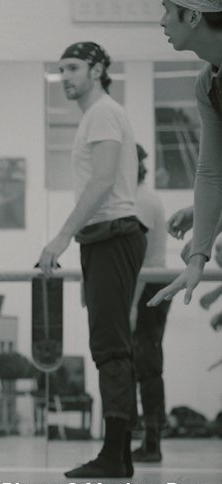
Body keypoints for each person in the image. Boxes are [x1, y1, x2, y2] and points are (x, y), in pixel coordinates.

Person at [38, 42, 145, 478]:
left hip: (112, 235)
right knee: (110, 347)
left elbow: (102, 182)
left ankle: (115, 456)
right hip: (104, 238)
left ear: (99, 69)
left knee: (110, 349)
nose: (65, 76)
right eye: (61, 68)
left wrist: (61, 237)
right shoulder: (95, 115)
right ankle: (120, 455)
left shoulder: (102, 112)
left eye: (74, 67)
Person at [149, 0, 222, 307]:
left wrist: (208, 230)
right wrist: (197, 258)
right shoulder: (207, 84)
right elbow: (211, 172)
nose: (162, 21)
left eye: (168, 9)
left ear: (193, 15)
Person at [130, 144, 172, 463]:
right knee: (146, 363)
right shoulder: (143, 197)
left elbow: (139, 261)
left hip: (149, 286)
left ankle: (153, 440)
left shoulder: (141, 201)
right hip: (151, 284)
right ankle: (150, 437)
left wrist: (132, 306)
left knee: (147, 364)